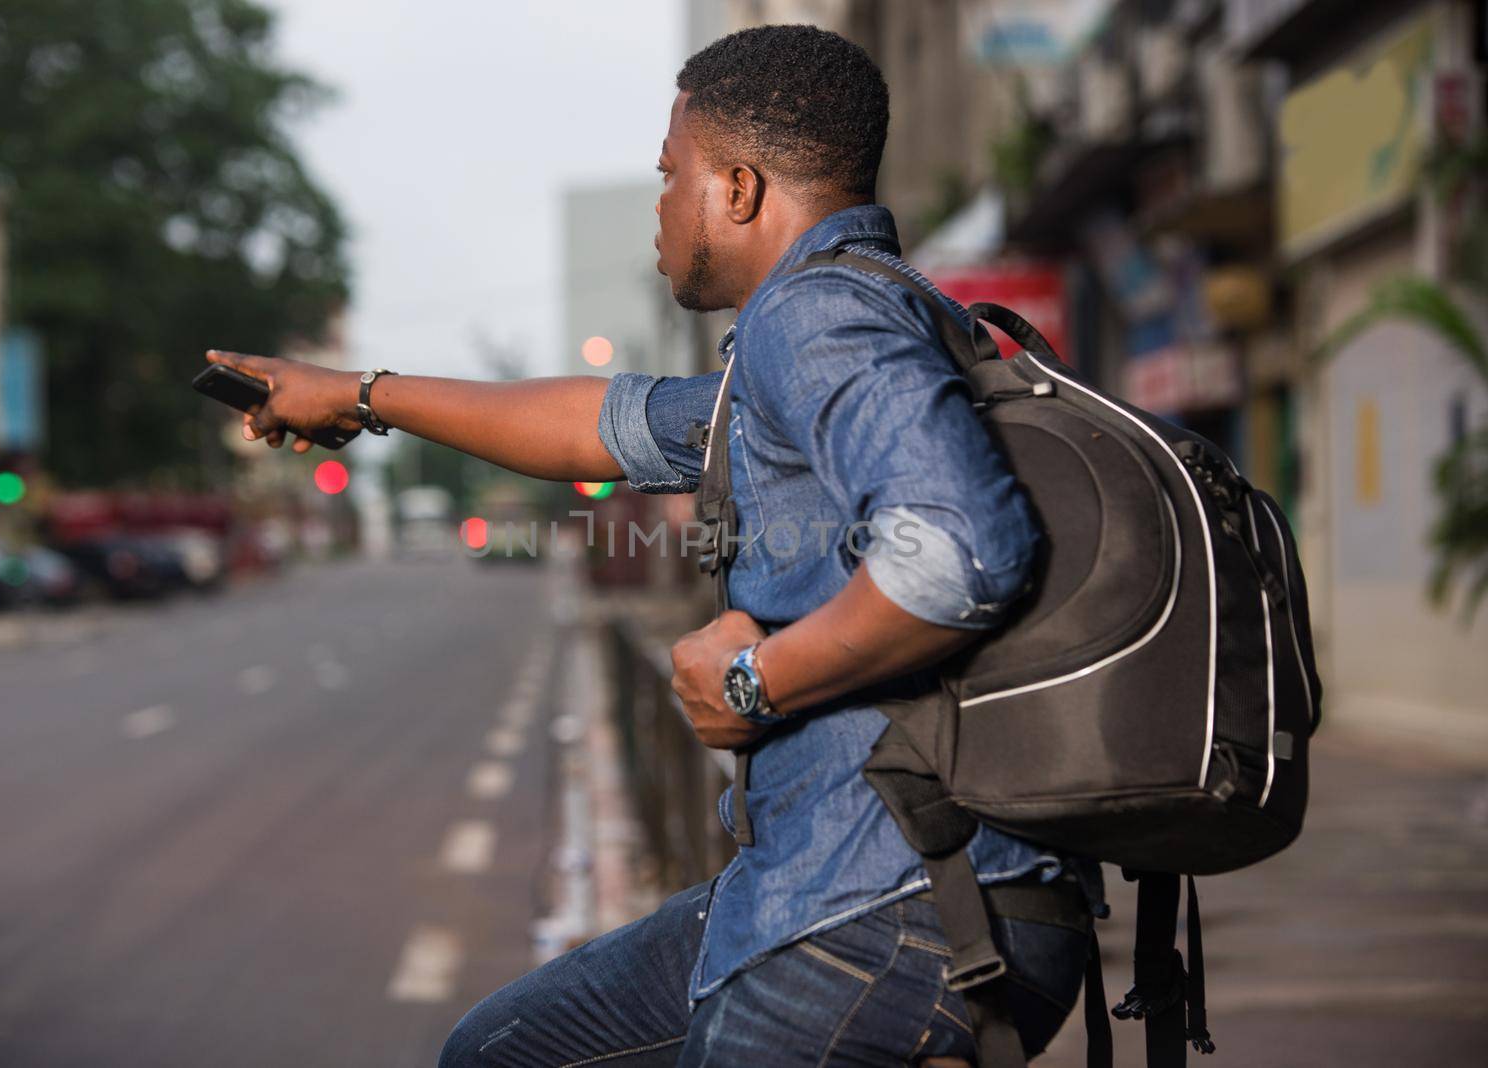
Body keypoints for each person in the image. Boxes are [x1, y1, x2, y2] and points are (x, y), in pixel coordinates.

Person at [210, 25, 1102, 1066]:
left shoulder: (813, 316)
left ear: (736, 189)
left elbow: (957, 549)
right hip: (858, 896)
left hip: (889, 910)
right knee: (502, 1049)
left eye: (669, 174)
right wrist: (362, 397)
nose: (659, 203)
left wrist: (753, 680)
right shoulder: (859, 321)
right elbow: (601, 423)